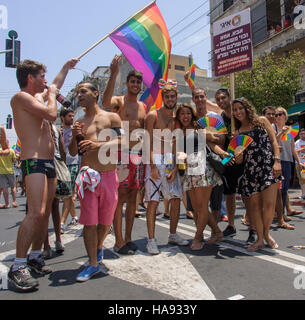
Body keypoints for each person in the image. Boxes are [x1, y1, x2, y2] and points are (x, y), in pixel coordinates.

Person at [8, 57, 78, 291]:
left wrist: (66, 68)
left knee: (45, 212)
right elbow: (50, 114)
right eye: (41, 77)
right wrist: (52, 94)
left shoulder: (37, 97)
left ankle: (35, 257)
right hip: (33, 162)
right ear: (30, 78)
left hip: (49, 163)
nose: (46, 81)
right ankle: (17, 266)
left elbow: (55, 84)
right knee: (35, 212)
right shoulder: (21, 98)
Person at [69, 80, 122, 282]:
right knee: (89, 223)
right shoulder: (80, 121)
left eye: (83, 91)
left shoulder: (112, 117)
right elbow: (73, 152)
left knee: (105, 223)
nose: (79, 95)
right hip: (88, 177)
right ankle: (92, 263)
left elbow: (123, 141)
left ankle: (98, 248)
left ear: (95, 93)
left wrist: (97, 145)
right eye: (77, 92)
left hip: (109, 176)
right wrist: (75, 137)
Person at [102, 55, 146, 254]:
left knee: (133, 198)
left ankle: (128, 238)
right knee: (119, 198)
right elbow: (104, 101)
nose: (135, 84)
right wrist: (113, 74)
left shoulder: (144, 106)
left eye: (138, 82)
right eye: (132, 81)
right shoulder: (119, 101)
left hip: (138, 155)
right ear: (127, 83)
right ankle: (118, 240)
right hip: (120, 154)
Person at [144, 81, 188, 255]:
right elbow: (146, 140)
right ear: (163, 98)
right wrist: (153, 165)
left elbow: (176, 143)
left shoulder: (176, 119)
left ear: (176, 98)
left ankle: (173, 234)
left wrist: (176, 167)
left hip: (170, 161)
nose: (170, 99)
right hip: (155, 159)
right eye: (167, 96)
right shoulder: (153, 115)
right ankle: (151, 240)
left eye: (173, 96)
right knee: (153, 201)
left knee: (175, 198)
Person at [232, 97, 282, 251]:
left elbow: (274, 141)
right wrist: (238, 158)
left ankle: (265, 234)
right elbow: (238, 160)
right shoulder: (237, 133)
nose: (238, 112)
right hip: (250, 172)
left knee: (269, 205)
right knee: (254, 208)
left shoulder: (262, 121)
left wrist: (277, 161)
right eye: (235, 110)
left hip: (268, 167)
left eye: (240, 108)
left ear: (247, 108)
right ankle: (260, 239)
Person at [175, 104, 224, 250]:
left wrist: (223, 153)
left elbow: (212, 144)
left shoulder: (199, 129)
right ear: (178, 116)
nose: (185, 116)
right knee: (197, 208)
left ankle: (197, 238)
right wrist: (179, 161)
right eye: (182, 113)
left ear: (192, 115)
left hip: (203, 168)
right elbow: (179, 153)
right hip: (190, 170)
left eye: (188, 113)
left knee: (202, 207)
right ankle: (217, 232)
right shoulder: (178, 133)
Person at [214, 89, 245, 238]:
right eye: (218, 99)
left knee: (247, 193)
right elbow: (221, 141)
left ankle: (252, 227)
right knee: (229, 193)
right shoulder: (219, 119)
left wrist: (239, 135)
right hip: (227, 158)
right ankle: (231, 225)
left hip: (244, 157)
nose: (221, 101)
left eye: (223, 98)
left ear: (229, 97)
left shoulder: (239, 113)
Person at [262, 106, 294, 230]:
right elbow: (273, 142)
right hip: (265, 163)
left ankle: (281, 218)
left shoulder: (285, 130)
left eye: (274, 114)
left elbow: (287, 147)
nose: (274, 116)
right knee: (261, 192)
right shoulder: (264, 128)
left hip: (279, 162)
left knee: (280, 191)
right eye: (270, 114)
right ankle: (250, 217)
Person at [274, 107, 304, 217]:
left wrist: (299, 162)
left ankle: (281, 213)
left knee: (285, 187)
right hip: (277, 161)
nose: (277, 116)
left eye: (280, 114)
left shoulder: (290, 131)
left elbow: (292, 148)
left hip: (287, 161)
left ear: (285, 116)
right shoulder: (273, 128)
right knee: (278, 188)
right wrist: (281, 132)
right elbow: (273, 141)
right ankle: (280, 214)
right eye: (276, 115)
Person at [43, 122, 67, 259]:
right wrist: (63, 167)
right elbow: (63, 151)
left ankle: (46, 246)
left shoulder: (38, 124)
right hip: (56, 165)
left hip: (43, 164)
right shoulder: (57, 129)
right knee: (55, 205)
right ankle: (58, 240)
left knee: (44, 207)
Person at [60, 107, 79, 232]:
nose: (72, 118)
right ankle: (75, 216)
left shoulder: (76, 131)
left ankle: (61, 222)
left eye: (73, 116)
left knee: (67, 194)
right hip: (61, 165)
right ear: (62, 118)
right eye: (69, 116)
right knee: (68, 195)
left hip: (73, 164)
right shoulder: (58, 131)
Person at [0, 142, 18, 208]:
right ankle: (14, 202)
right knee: (13, 187)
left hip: (1, 171)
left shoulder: (0, 151)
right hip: (10, 171)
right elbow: (14, 161)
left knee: (5, 188)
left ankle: (7, 204)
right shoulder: (11, 151)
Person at [295, 128, 305, 198]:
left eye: (304, 134)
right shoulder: (297, 142)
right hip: (300, 163)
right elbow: (294, 151)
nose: (303, 135)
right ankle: (303, 194)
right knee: (302, 178)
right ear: (299, 135)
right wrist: (301, 150)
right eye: (301, 134)